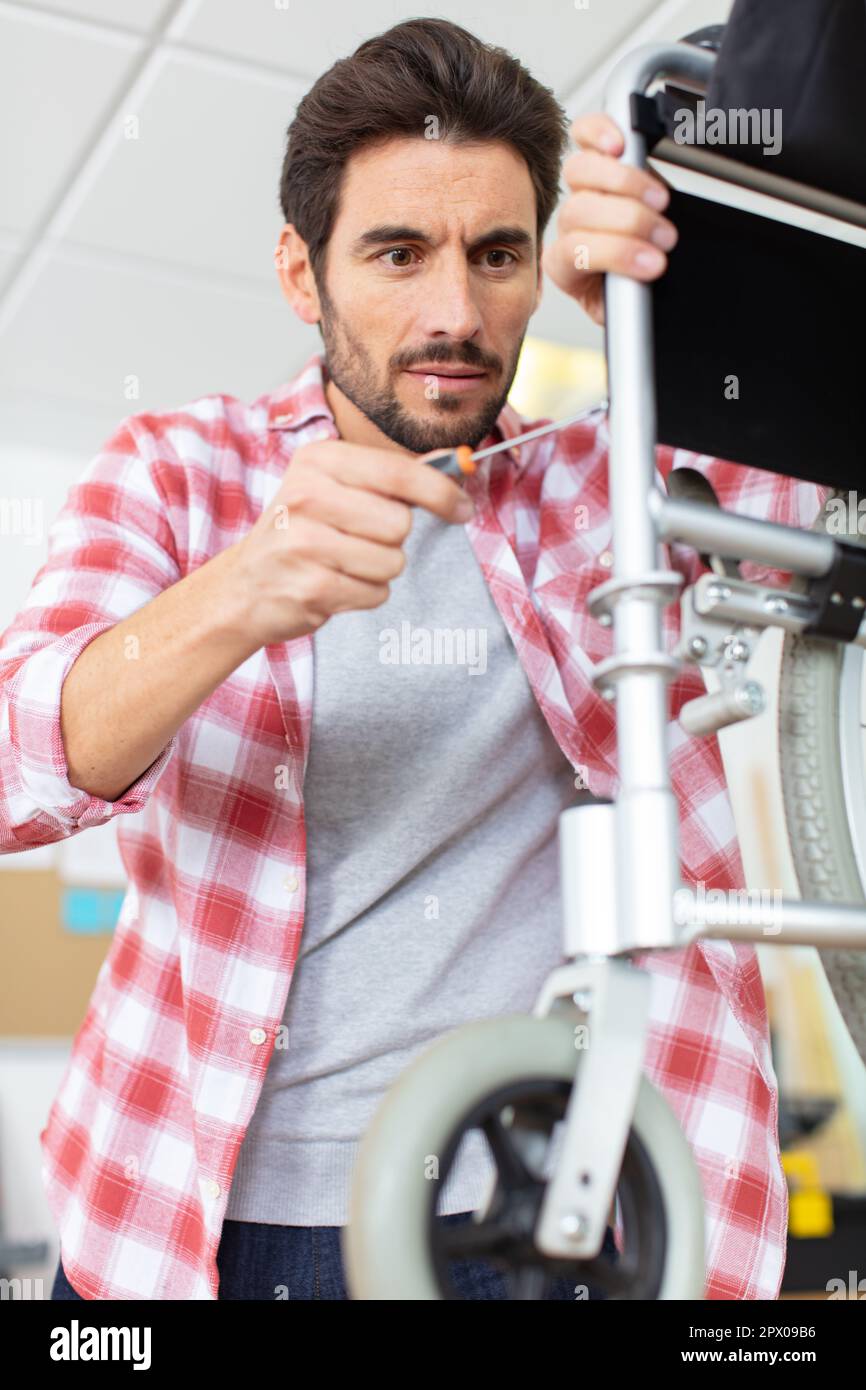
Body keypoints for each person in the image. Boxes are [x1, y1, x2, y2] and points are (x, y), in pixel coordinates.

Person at [1, 18, 814, 1301]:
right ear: (298, 271)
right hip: (181, 1225)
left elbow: (809, 521)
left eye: (498, 256)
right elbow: (15, 771)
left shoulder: (602, 484)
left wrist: (669, 325)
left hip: (524, 1214)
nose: (455, 313)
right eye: (397, 253)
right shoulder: (175, 472)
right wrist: (236, 595)